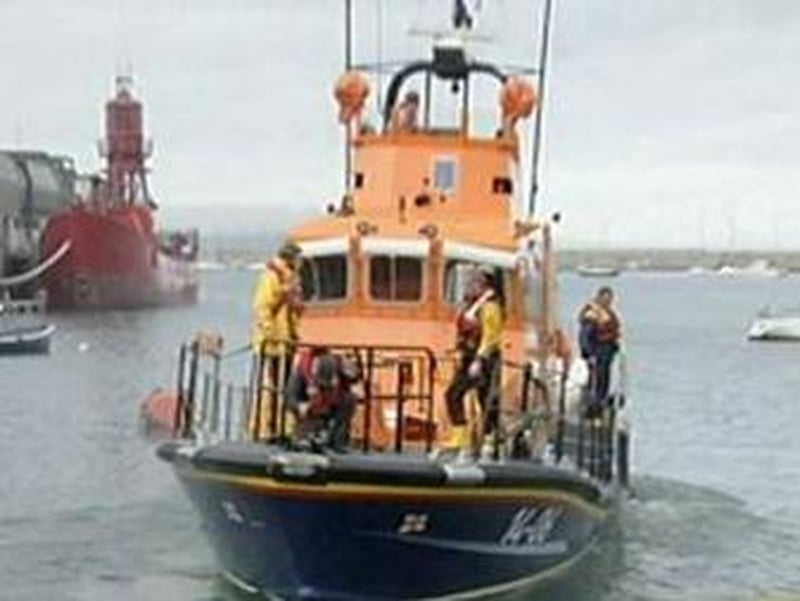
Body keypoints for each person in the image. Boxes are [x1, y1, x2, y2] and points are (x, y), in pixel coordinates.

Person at [443, 268, 504, 456]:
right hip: (468, 357)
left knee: (485, 398)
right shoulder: (470, 306)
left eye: (472, 282)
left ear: (482, 285)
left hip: (484, 359)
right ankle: (461, 436)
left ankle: (490, 437)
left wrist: (480, 359)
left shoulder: (490, 307)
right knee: (454, 394)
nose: (468, 286)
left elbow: (491, 336)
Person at [251, 240, 304, 439]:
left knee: (285, 385)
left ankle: (284, 427)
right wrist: (271, 335)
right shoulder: (272, 277)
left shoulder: (291, 278)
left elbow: (294, 310)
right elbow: (262, 307)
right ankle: (271, 428)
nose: (301, 262)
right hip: (275, 343)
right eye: (299, 258)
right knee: (274, 386)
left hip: (287, 340)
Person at [284, 347, 360, 451]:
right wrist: (299, 406)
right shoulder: (300, 371)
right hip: (311, 408)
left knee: (349, 399)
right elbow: (290, 397)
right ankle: (306, 437)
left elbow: (355, 377)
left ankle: (337, 441)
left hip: (332, 404)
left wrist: (351, 370)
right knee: (311, 415)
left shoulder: (338, 364)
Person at [578, 286, 621, 415]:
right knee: (596, 377)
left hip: (607, 351)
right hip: (597, 350)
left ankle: (601, 400)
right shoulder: (592, 314)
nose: (608, 301)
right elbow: (585, 335)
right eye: (606, 298)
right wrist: (588, 352)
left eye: (610, 299)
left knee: (604, 377)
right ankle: (592, 403)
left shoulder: (608, 313)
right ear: (599, 298)